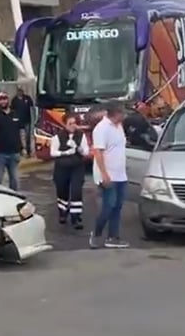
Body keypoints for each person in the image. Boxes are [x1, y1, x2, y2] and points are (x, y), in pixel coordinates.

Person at [90, 104, 130, 249]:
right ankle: (96, 233)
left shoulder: (119, 126)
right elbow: (98, 153)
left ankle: (113, 237)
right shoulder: (102, 129)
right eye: (122, 114)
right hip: (108, 175)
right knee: (109, 206)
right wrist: (104, 174)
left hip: (120, 174)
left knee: (118, 207)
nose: (124, 117)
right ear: (115, 114)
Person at [51, 113, 89, 229]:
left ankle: (75, 217)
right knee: (62, 190)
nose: (73, 126)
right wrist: (65, 153)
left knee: (76, 191)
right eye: (70, 124)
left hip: (77, 167)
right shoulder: (58, 136)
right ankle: (63, 212)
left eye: (74, 123)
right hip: (62, 168)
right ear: (65, 124)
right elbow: (53, 152)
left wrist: (78, 148)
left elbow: (86, 152)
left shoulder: (81, 135)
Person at [0, 91, 22, 190]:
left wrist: (22, 147)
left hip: (14, 152)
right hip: (0, 153)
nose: (3, 101)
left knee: (15, 180)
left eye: (4, 98)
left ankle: (14, 197)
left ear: (8, 100)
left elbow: (20, 132)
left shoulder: (15, 114)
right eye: (0, 99)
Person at [11, 87, 35, 157]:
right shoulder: (14, 100)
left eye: (21, 91)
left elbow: (32, 108)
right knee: (21, 137)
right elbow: (12, 110)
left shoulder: (27, 98)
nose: (20, 92)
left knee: (28, 136)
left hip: (27, 120)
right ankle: (23, 150)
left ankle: (29, 150)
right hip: (19, 122)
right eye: (19, 91)